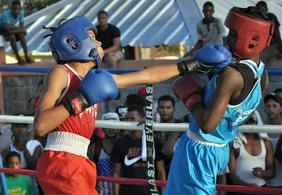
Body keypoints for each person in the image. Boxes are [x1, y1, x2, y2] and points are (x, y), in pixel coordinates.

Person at [33, 16, 231, 194]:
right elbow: (41, 125)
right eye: (93, 36)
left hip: (77, 161)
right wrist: (82, 98)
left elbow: (146, 76)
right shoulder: (61, 73)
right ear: (73, 42)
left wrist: (191, 64)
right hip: (61, 161)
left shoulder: (98, 79)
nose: (100, 41)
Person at [165, 6, 273, 194]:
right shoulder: (263, 75)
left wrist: (191, 97)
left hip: (200, 149)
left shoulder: (232, 75)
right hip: (219, 148)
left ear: (253, 39)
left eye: (233, 34)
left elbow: (208, 124)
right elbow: (234, 111)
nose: (227, 39)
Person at [111, 105, 166, 195]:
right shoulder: (120, 143)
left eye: (132, 118)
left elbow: (161, 172)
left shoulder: (154, 141)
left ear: (142, 119)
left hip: (151, 192)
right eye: (127, 119)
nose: (129, 121)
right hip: (128, 192)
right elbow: (116, 173)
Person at [229, 111, 275, 188]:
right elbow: (231, 174)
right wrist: (247, 186)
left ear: (257, 122)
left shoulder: (266, 143)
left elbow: (272, 172)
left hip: (262, 189)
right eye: (246, 121)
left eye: (252, 121)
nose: (249, 124)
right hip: (240, 191)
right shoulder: (236, 143)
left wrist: (263, 173)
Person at [263, 93, 282, 188]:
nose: (271, 109)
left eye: (275, 106)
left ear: (281, 109)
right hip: (266, 184)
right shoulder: (259, 130)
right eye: (268, 106)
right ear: (264, 108)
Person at [155, 95, 183, 176]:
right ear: (157, 109)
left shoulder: (182, 126)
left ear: (174, 109)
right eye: (162, 107)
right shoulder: (154, 128)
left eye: (168, 107)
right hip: (159, 172)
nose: (165, 110)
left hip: (178, 170)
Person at [0, 1, 34, 65]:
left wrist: (20, 30)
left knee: (21, 35)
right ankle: (18, 58)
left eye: (18, 9)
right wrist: (20, 29)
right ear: (11, 9)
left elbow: (22, 26)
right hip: (2, 28)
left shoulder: (21, 13)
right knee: (12, 37)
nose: (16, 11)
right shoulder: (6, 15)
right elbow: (6, 28)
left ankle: (27, 56)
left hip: (12, 29)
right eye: (14, 9)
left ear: (20, 9)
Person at [256, 1, 282, 65]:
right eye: (259, 9)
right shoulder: (256, 19)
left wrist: (281, 50)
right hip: (262, 46)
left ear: (266, 9)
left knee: (261, 58)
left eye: (262, 9)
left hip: (273, 45)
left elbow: (277, 35)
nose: (261, 12)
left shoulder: (271, 17)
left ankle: (262, 74)